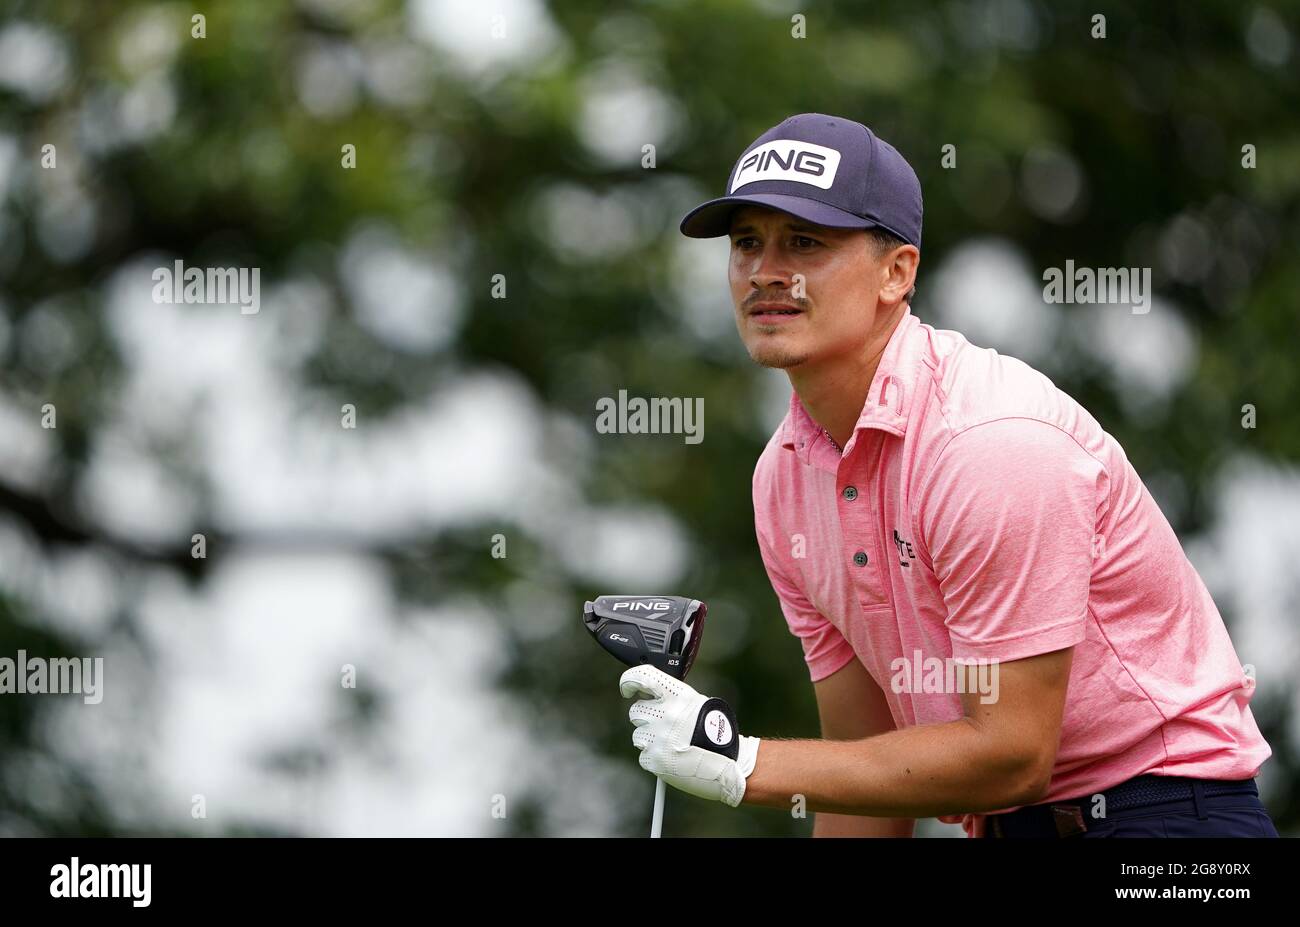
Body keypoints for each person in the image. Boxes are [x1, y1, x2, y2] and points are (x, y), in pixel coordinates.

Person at [618, 112, 1277, 838]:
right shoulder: (782, 481)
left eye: (805, 241)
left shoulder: (987, 441)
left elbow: (1012, 753)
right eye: (747, 243)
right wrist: (751, 766)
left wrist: (742, 762)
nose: (767, 271)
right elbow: (865, 775)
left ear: (897, 273)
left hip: (1169, 817)